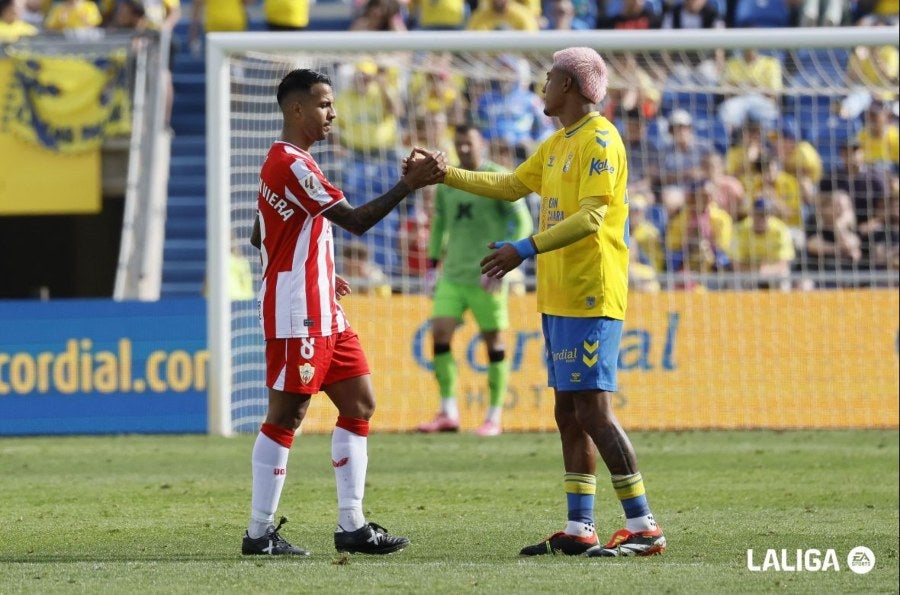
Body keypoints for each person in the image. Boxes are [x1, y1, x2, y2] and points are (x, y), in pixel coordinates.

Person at [416, 47, 665, 557]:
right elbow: (509, 186)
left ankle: (644, 527)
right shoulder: (557, 144)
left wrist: (523, 248)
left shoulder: (600, 139)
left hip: (591, 290)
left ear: (569, 86)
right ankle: (580, 529)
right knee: (567, 414)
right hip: (559, 296)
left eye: (549, 78)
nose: (542, 87)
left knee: (594, 412)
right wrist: (444, 176)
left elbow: (594, 216)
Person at [244, 68, 446, 557]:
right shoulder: (293, 164)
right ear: (297, 110)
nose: (333, 113)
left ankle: (352, 525)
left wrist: (317, 268)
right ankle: (258, 533)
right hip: (299, 311)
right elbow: (355, 221)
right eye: (324, 104)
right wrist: (408, 185)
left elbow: (261, 234)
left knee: (359, 403)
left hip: (320, 305)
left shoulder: (285, 162)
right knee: (287, 414)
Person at [416, 123, 533, 437]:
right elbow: (440, 223)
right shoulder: (447, 182)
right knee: (439, 334)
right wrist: (431, 265)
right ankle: (448, 411)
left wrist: (505, 258)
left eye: (469, 143)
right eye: (459, 144)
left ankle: (494, 416)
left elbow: (522, 220)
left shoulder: (499, 178)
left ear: (482, 143)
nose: (464, 149)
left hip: (487, 275)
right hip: (452, 274)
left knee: (493, 342)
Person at [731, 197, 796, 290]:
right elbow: (735, 263)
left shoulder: (780, 230)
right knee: (734, 281)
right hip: (747, 272)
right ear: (751, 214)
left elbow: (784, 263)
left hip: (772, 271)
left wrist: (764, 271)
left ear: (771, 215)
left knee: (783, 276)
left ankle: (784, 304)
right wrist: (755, 272)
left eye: (765, 214)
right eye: (759, 214)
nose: (762, 218)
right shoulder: (740, 230)